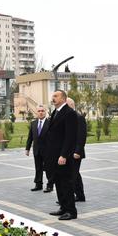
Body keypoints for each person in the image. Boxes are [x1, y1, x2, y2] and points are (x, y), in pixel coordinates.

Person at [45, 89, 78, 221]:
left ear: (63, 99)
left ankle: (71, 211)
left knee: (66, 183)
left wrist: (64, 155)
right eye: (52, 96)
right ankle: (63, 207)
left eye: (56, 96)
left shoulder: (69, 113)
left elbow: (70, 137)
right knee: (58, 182)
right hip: (54, 155)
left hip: (63, 156)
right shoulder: (56, 112)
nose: (53, 98)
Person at [25, 105, 51, 192]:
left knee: (48, 168)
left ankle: (50, 186)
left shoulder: (50, 123)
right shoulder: (33, 123)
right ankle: (38, 184)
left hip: (47, 150)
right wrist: (27, 148)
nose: (40, 112)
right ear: (36, 112)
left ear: (45, 112)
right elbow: (30, 137)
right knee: (38, 168)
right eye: (39, 111)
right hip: (37, 150)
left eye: (42, 111)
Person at [66, 97, 87, 202]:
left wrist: (78, 151)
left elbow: (82, 136)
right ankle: (80, 195)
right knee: (75, 174)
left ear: (71, 105)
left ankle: (71, 196)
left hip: (76, 153)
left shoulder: (79, 117)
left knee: (72, 175)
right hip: (68, 152)